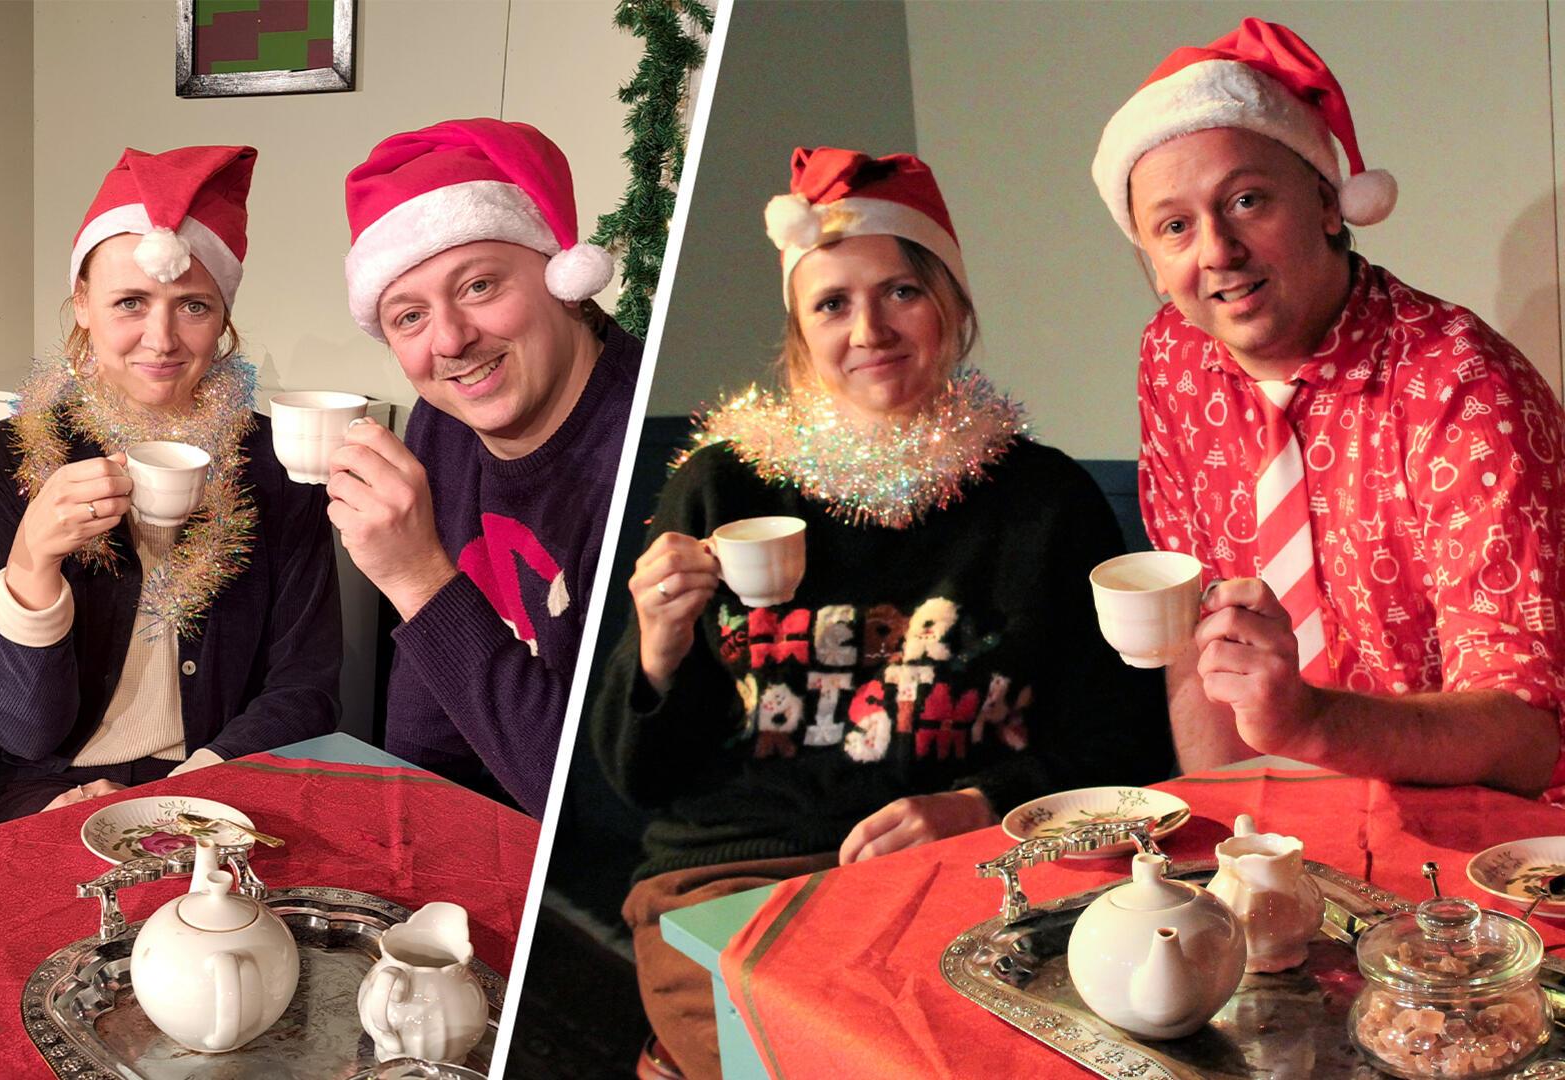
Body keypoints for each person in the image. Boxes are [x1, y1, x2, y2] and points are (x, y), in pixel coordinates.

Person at [592, 148, 1171, 1080]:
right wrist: (657, 651)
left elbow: (1126, 739)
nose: (870, 328)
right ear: (798, 331)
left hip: (980, 877)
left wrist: (983, 804)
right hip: (738, 881)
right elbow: (639, 779)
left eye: (901, 291)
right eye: (831, 302)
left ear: (951, 304)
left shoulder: (1043, 500)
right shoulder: (719, 487)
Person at [1091, 18, 1565, 796]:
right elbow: (1201, 643)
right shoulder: (1173, 356)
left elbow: (1524, 739)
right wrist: (1229, 841)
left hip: (1484, 841)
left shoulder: (1461, 383)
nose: (1215, 249)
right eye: (1175, 226)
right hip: (1287, 830)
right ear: (1150, 261)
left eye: (1246, 201)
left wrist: (1309, 723)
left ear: (1326, 204)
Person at [0, 145, 341, 822]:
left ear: (223, 316)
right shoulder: (2, 462)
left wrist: (183, 797)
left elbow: (305, 690)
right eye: (130, 302)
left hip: (221, 778)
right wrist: (33, 561)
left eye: (192, 305)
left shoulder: (274, 466)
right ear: (82, 303)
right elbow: (22, 732)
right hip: (50, 791)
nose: (159, 339)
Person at [335, 118, 643, 817]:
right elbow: (427, 742)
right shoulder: (445, 423)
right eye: (409, 317)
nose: (450, 340)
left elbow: (594, 797)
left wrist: (416, 578)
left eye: (478, 287)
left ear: (563, 279)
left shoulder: (646, 457)